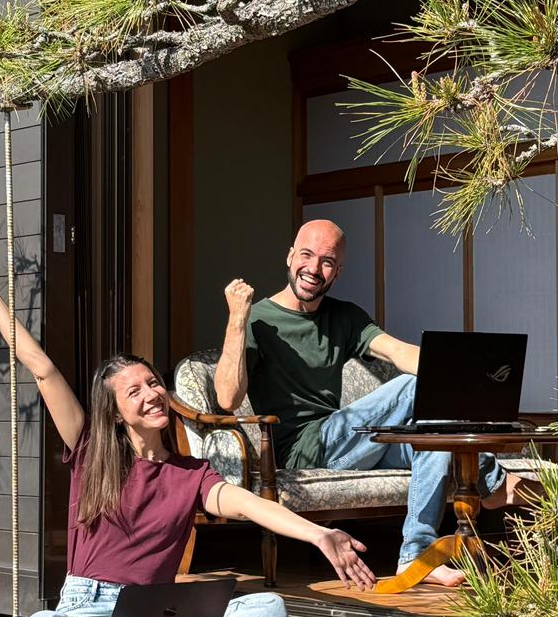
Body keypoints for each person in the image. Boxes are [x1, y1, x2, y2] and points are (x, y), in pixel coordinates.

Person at [0, 266, 375, 617]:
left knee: (270, 611)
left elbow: (248, 504)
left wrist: (320, 535)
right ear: (117, 413)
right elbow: (43, 370)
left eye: (153, 383)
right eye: (134, 391)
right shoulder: (90, 450)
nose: (152, 394)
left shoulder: (190, 472)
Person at [213, 220, 525, 588]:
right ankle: (494, 483)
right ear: (289, 257)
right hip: (305, 449)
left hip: (348, 444)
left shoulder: (343, 316)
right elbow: (227, 398)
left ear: (338, 272)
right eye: (307, 256)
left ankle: (415, 555)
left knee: (435, 435)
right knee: (413, 387)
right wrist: (236, 318)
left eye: (327, 261)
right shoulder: (260, 320)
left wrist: (463, 367)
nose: (314, 269)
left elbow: (396, 351)